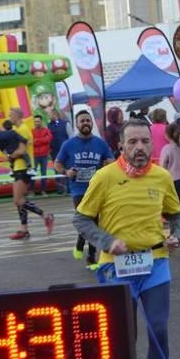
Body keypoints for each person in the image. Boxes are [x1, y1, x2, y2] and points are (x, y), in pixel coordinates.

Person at [72, 118, 180, 359]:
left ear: (152, 144)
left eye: (145, 142)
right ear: (120, 146)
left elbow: (176, 215)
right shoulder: (104, 177)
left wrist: (177, 235)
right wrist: (108, 242)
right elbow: (81, 220)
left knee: (159, 330)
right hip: (116, 266)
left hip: (155, 262)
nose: (139, 148)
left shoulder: (162, 177)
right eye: (132, 142)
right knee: (125, 338)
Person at [55, 110, 114, 267]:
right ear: (77, 124)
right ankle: (89, 254)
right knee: (86, 220)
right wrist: (66, 172)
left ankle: (88, 252)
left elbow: (110, 160)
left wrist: (106, 164)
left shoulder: (100, 143)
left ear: (91, 123)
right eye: (82, 121)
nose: (86, 123)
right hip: (78, 189)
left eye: (88, 120)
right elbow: (57, 164)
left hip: (97, 189)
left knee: (93, 222)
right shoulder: (68, 144)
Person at [3, 108, 55, 241]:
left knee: (18, 200)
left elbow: (21, 150)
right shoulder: (18, 130)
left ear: (17, 116)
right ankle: (24, 229)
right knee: (20, 200)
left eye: (10, 115)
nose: (9, 118)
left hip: (23, 168)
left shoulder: (23, 130)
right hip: (18, 167)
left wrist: (10, 155)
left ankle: (45, 216)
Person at [47, 108, 72, 194]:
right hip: (54, 152)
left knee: (67, 168)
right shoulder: (48, 125)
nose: (48, 116)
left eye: (49, 114)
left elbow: (71, 137)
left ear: (54, 114)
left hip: (65, 152)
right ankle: (60, 189)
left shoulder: (65, 124)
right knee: (56, 170)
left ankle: (69, 188)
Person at [31, 115, 53, 196]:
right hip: (35, 156)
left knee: (44, 173)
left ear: (41, 121)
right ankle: (32, 190)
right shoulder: (31, 131)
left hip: (44, 155)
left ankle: (43, 190)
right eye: (35, 121)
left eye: (38, 121)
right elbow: (31, 142)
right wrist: (42, 141)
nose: (37, 123)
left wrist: (37, 140)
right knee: (32, 173)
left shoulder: (46, 130)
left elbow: (48, 139)